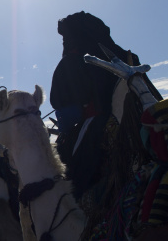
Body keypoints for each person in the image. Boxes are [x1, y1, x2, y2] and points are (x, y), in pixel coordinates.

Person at [50, 11, 141, 200]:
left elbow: (58, 102)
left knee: (71, 178)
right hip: (141, 117)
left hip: (96, 125)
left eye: (65, 37)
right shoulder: (128, 57)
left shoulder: (72, 62)